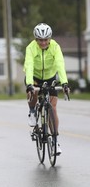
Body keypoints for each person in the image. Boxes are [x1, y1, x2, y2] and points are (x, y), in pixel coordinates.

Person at [24, 23, 70, 155]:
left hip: (50, 77)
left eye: (45, 40)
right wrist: (29, 84)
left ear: (49, 38)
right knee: (32, 92)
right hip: (34, 76)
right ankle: (32, 111)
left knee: (53, 108)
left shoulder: (55, 47)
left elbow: (60, 64)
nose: (43, 42)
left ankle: (55, 141)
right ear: (35, 39)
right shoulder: (31, 48)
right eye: (40, 40)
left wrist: (65, 83)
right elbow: (29, 65)